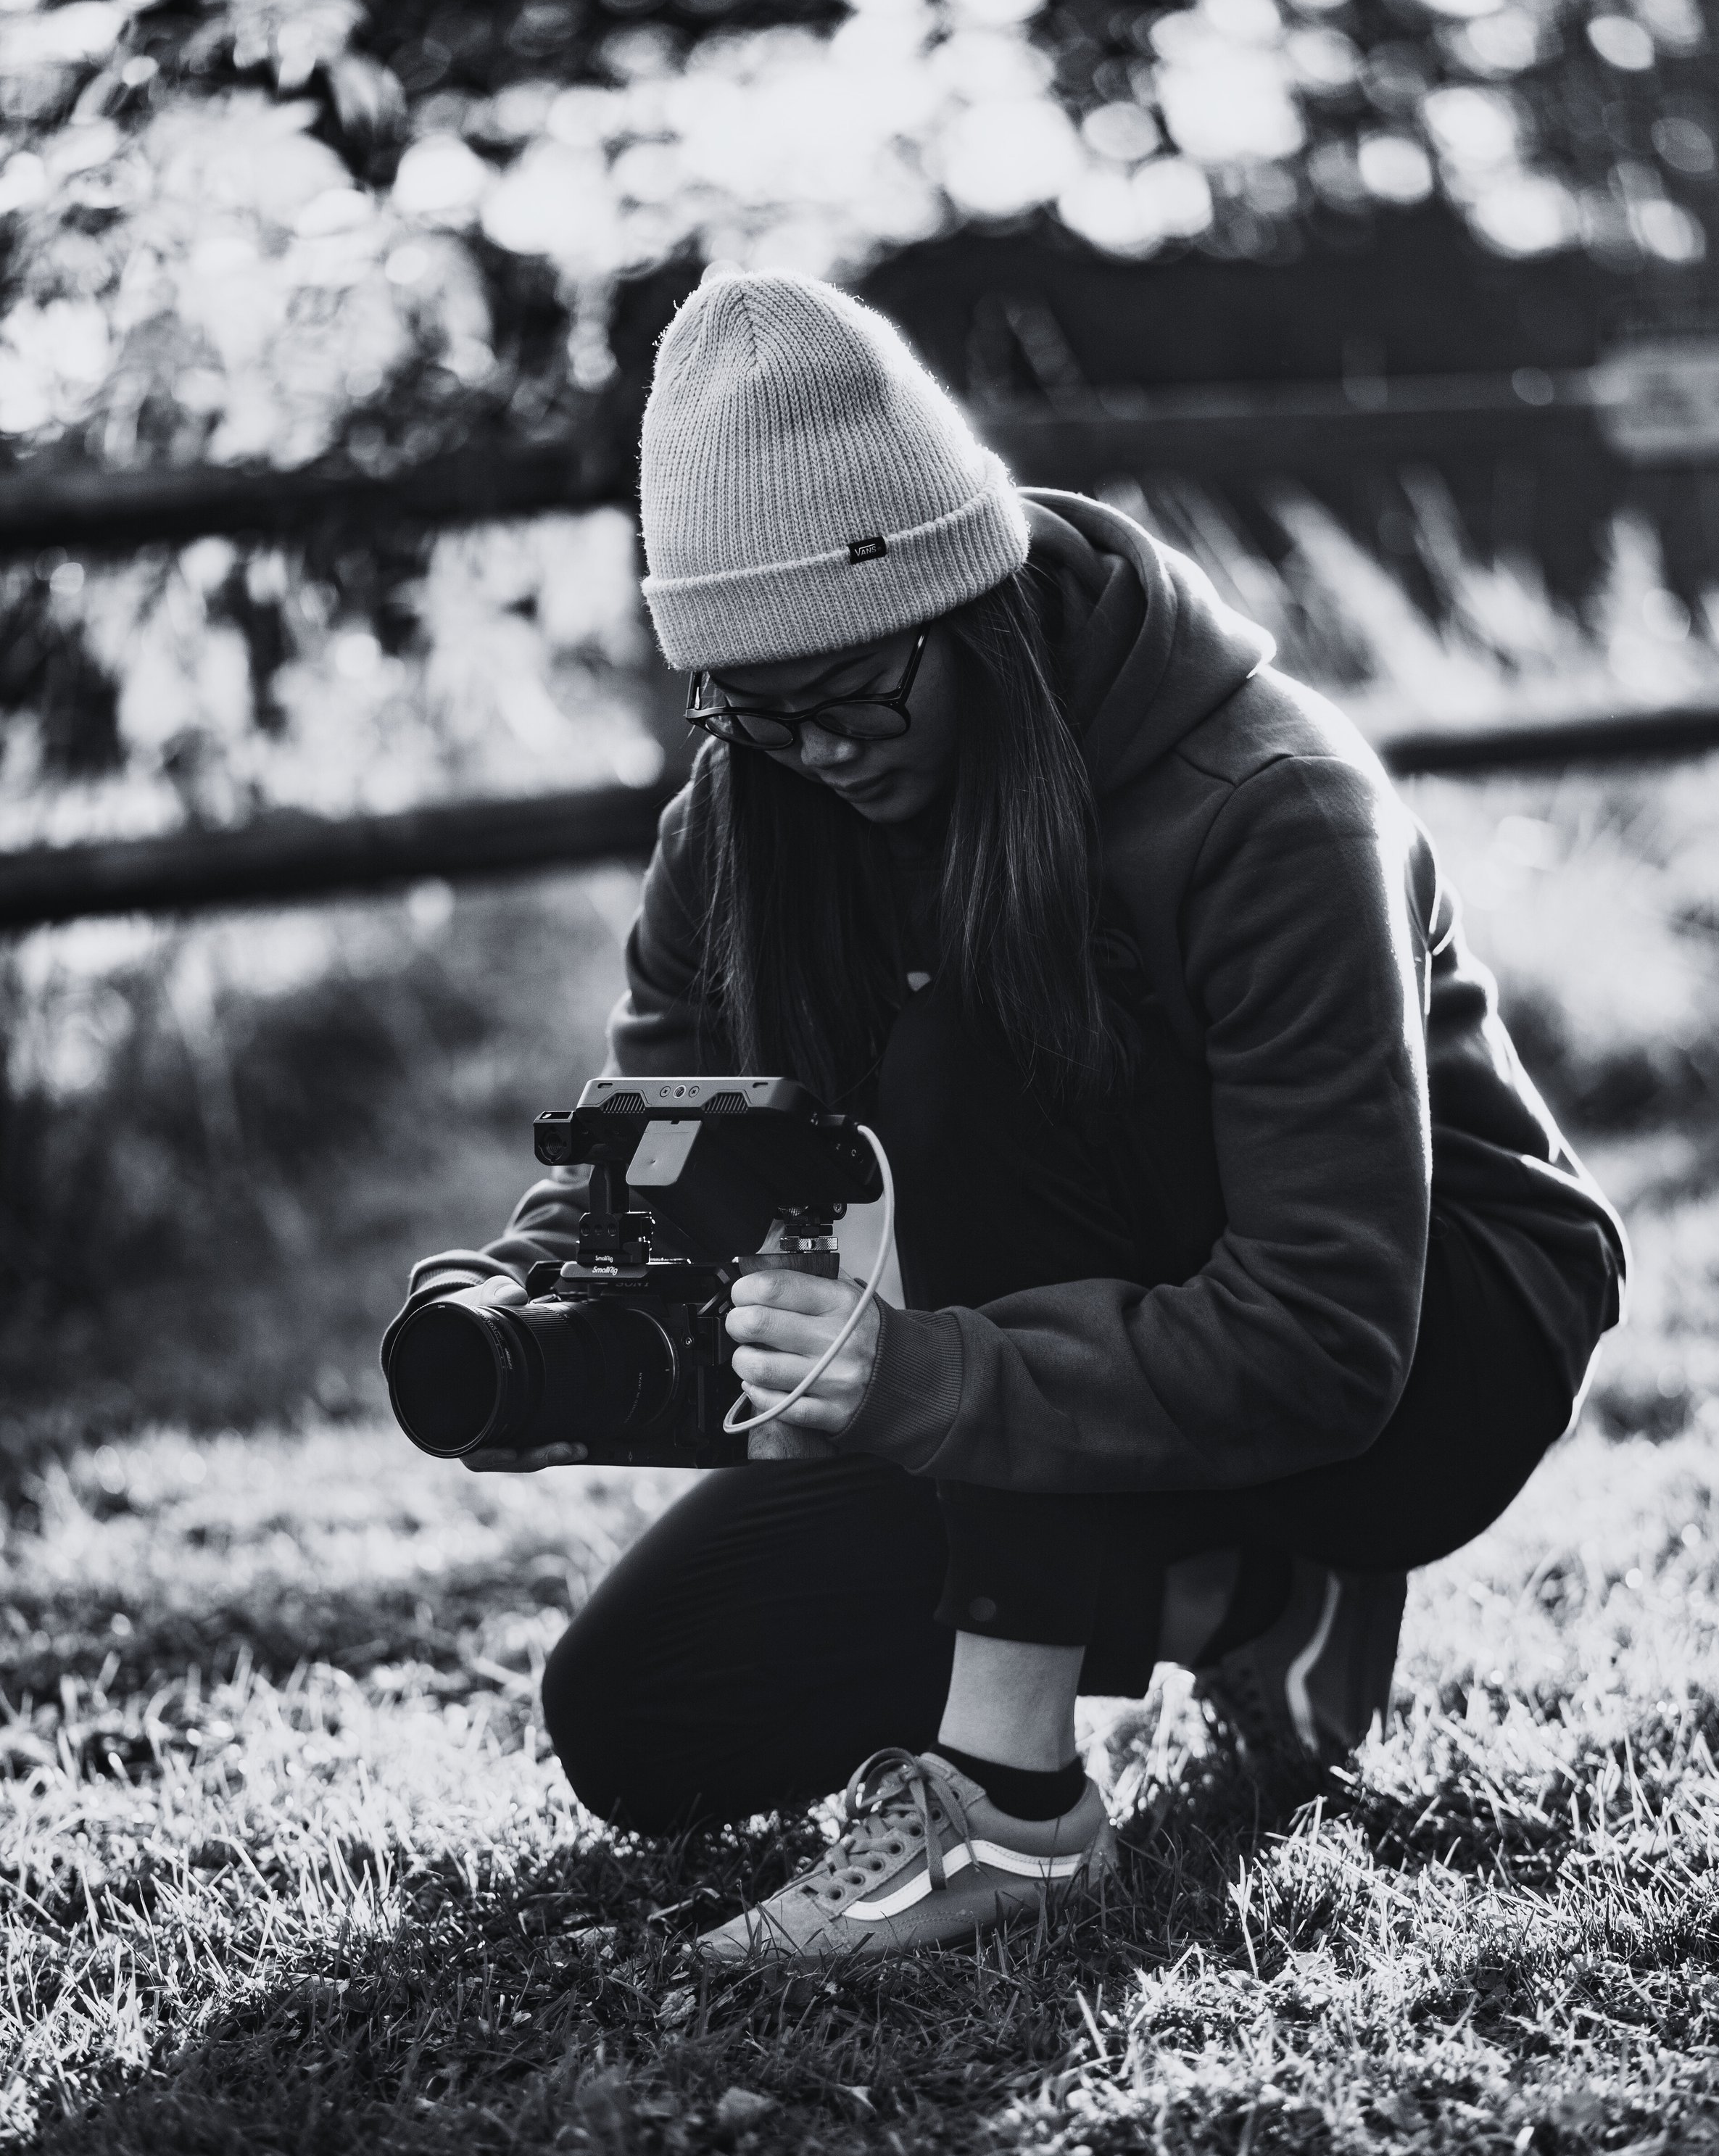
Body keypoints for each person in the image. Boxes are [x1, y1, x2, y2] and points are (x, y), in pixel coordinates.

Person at [389, 269, 1625, 1968]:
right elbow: (664, 1134)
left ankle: (1012, 1806)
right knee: (644, 1711)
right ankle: (1246, 1602)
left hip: (1422, 1349)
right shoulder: (743, 809)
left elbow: (1328, 1332)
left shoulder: (1268, 806)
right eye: (754, 706)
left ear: (967, 609)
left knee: (969, 1059)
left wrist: (921, 1382)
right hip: (1039, 1342)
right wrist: (544, 1304)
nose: (814, 751)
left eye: (852, 693)